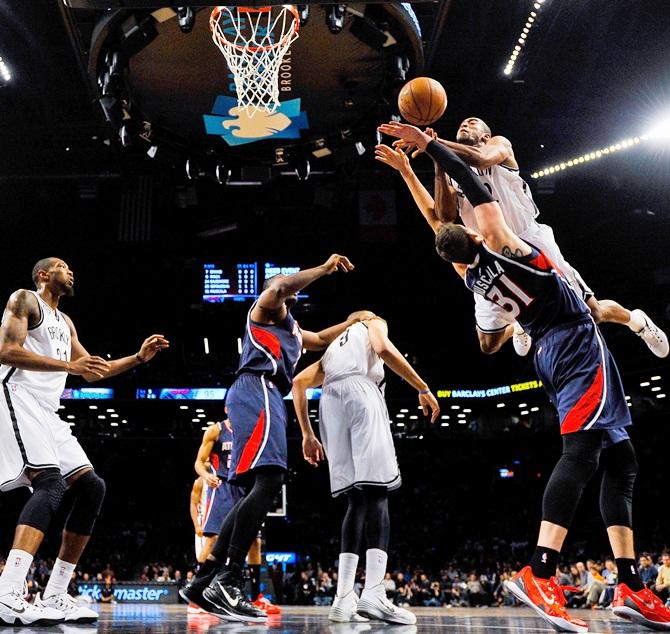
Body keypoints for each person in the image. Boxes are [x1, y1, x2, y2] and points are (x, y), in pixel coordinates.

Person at [377, 121, 670, 633]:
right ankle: (539, 572)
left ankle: (630, 584)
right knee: (580, 454)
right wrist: (429, 149)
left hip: (546, 342)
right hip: (575, 341)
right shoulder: (509, 246)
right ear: (477, 233)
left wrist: (412, 168)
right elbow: (470, 184)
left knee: (621, 461)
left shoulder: (468, 272)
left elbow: (438, 224)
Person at [376, 117, 668, 359]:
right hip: (489, 253)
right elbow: (444, 216)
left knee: (591, 311)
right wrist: (436, 161)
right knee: (487, 345)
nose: (465, 125)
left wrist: (431, 143)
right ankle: (520, 324)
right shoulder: (453, 173)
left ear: (486, 134)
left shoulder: (499, 146)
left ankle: (637, 322)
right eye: (462, 124)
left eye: (472, 123)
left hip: (530, 240)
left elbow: (479, 157)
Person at [182, 254, 363, 622]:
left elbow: (320, 339)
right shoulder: (263, 309)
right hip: (258, 389)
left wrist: (354, 322)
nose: (289, 284)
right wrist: (325, 269)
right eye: (285, 280)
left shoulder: (292, 329)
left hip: (263, 396)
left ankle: (204, 580)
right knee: (269, 480)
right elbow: (280, 286)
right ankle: (229, 580)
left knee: (256, 488)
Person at [0, 257, 169, 626]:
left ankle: (56, 593)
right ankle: (9, 592)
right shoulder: (25, 300)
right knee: (49, 484)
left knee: (92, 487)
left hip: (48, 410)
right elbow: (6, 352)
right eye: (62, 266)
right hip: (16, 394)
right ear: (44, 275)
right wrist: (68, 368)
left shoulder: (66, 322)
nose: (70, 271)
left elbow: (96, 370)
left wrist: (138, 359)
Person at [292, 312, 439, 624]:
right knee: (377, 493)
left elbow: (298, 383)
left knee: (355, 500)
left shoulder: (333, 348)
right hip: (361, 395)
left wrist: (307, 435)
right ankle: (374, 592)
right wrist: (422, 387)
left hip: (329, 404)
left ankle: (343, 597)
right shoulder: (373, 321)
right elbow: (383, 348)